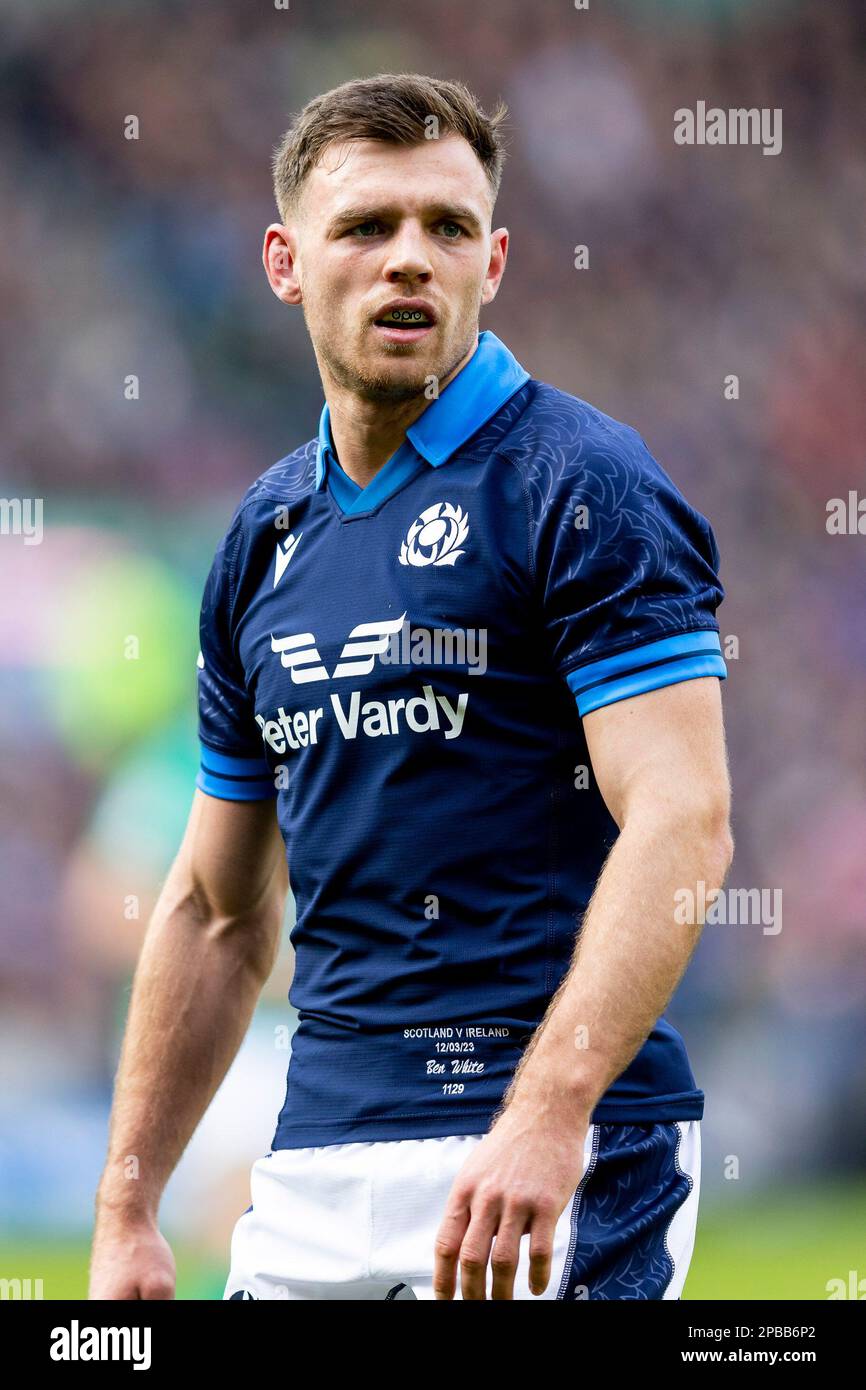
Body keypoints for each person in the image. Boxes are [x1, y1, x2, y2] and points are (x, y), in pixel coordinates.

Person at [89, 73, 733, 1301]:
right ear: (284, 262)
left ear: (493, 262)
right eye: (366, 227)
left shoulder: (582, 483)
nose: (409, 261)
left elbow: (682, 816)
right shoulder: (262, 535)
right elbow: (218, 912)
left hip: (560, 1152)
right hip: (313, 1164)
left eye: (446, 229)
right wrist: (128, 1206)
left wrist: (548, 1115)